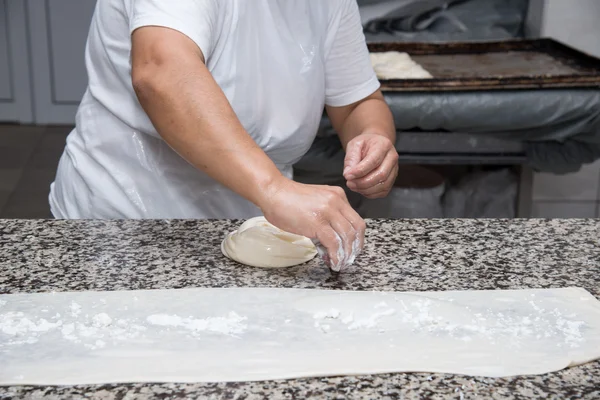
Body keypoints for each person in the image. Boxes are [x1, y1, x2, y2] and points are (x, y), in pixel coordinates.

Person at [50, 0, 398, 269]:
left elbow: (358, 100)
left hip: (257, 225)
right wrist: (274, 189)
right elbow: (161, 72)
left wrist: (372, 137)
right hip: (128, 226)